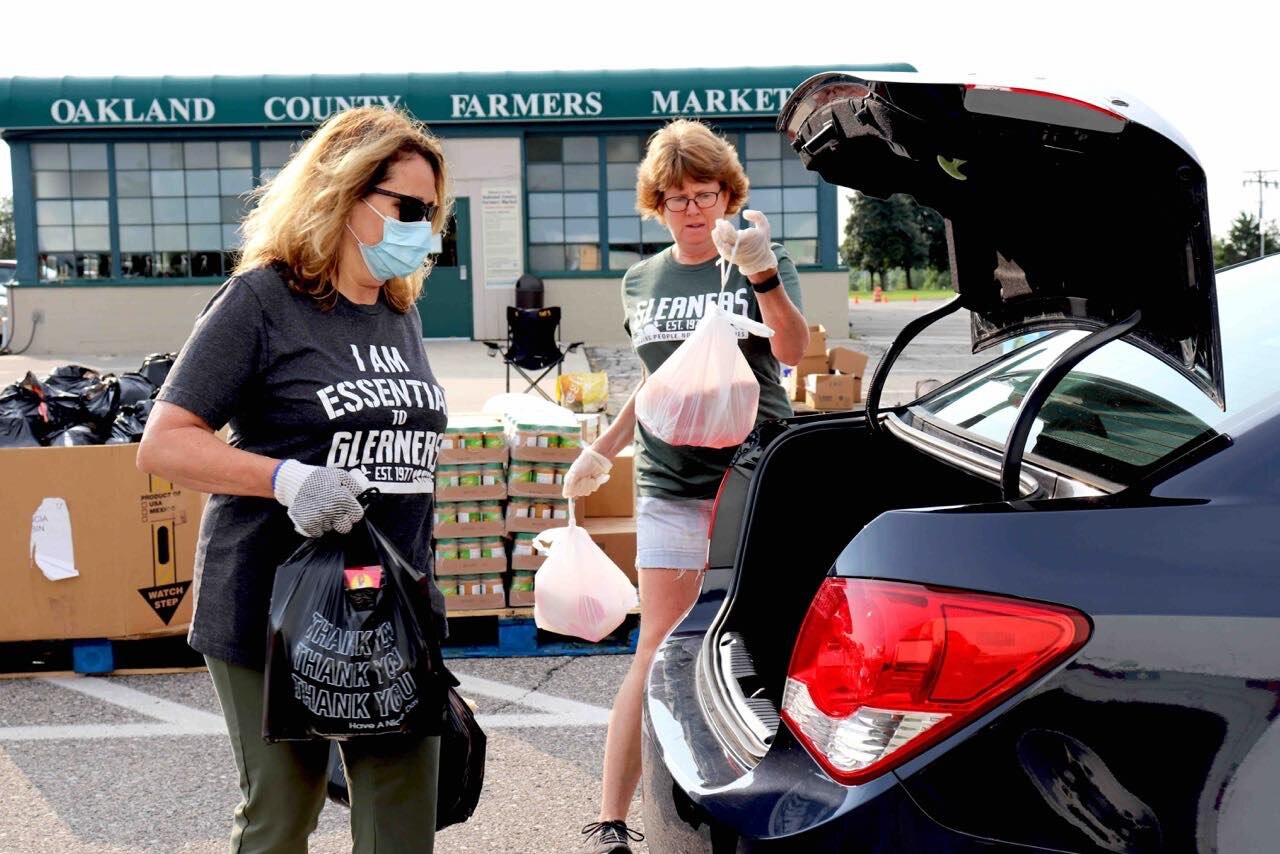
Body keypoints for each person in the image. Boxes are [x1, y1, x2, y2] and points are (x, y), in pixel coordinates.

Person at [137, 106, 452, 854]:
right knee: (282, 816)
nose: (425, 229)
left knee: (402, 819)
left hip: (389, 607)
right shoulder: (263, 301)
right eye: (409, 209)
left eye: (433, 213)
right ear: (344, 196)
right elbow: (165, 444)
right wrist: (286, 479)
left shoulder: (397, 312)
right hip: (273, 609)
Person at [565, 119, 809, 853]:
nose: (693, 209)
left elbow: (794, 350)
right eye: (676, 198)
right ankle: (612, 818)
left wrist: (762, 272)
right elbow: (657, 379)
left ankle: (772, 812)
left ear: (728, 195)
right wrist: (603, 451)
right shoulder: (642, 279)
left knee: (765, 645)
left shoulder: (762, 260)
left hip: (752, 478)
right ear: (657, 203)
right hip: (670, 482)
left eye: (706, 194)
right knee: (657, 648)